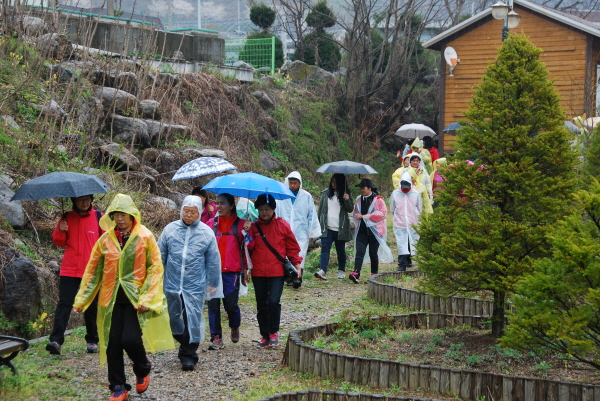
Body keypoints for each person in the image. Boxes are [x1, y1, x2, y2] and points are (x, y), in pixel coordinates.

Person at [72, 194, 174, 401]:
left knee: (130, 339)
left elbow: (155, 268)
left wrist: (147, 297)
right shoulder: (105, 240)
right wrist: (82, 299)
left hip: (135, 300)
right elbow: (93, 271)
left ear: (132, 215)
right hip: (110, 300)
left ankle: (142, 366)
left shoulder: (145, 237)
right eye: (116, 215)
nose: (119, 219)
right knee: (112, 344)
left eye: (123, 214)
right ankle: (118, 386)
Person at [158, 195, 223, 371]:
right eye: (186, 211)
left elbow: (213, 260)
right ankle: (184, 341)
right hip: (172, 283)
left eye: (193, 212)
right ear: (181, 210)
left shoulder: (206, 233)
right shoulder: (170, 230)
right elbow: (159, 255)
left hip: (195, 285)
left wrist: (212, 282)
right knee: (173, 317)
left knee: (192, 318)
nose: (189, 215)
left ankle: (188, 355)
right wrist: (155, 277)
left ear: (199, 213)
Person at [243, 194, 302, 348]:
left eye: (267, 209)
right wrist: (246, 233)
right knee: (261, 304)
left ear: (273, 209)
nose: (264, 212)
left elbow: (292, 248)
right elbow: (247, 249)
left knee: (273, 302)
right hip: (258, 272)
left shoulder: (282, 225)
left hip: (277, 272)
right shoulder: (253, 227)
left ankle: (273, 332)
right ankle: (264, 335)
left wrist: (297, 266)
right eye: (261, 209)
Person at [47, 195, 102, 355]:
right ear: (74, 201)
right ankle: (56, 341)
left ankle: (92, 341)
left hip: (91, 270)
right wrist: (60, 230)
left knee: (91, 306)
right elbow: (59, 242)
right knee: (64, 304)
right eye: (80, 200)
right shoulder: (66, 217)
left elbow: (107, 241)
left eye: (87, 199)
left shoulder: (99, 217)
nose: (84, 203)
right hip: (70, 269)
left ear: (91, 200)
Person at [206, 193, 247, 350]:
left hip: (231, 272)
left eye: (222, 203)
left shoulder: (241, 224)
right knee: (213, 305)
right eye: (217, 203)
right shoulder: (211, 224)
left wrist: (248, 233)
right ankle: (216, 337)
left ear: (231, 205)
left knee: (231, 305)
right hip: (213, 272)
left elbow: (248, 248)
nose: (219, 206)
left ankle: (234, 325)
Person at [349, 179, 393, 283]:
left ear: (369, 188)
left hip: (375, 231)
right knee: (360, 252)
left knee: (373, 253)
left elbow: (383, 214)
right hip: (362, 230)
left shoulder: (378, 200)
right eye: (360, 188)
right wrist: (357, 215)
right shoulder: (359, 199)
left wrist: (368, 216)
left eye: (363, 188)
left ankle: (374, 274)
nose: (361, 190)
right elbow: (355, 212)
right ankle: (356, 273)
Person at [277, 171, 321, 276]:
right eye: (290, 183)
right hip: (285, 230)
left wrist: (312, 228)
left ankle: (298, 277)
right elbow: (277, 211)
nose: (292, 185)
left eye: (294, 183)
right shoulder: (282, 195)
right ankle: (289, 277)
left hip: (301, 231)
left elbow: (311, 213)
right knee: (286, 254)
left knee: (300, 254)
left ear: (299, 183)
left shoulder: (306, 196)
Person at [315, 174, 354, 280]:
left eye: (336, 183)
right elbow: (320, 210)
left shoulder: (346, 193)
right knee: (325, 249)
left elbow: (350, 209)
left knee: (340, 250)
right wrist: (317, 224)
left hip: (340, 228)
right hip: (327, 227)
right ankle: (323, 270)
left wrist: (347, 200)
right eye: (332, 182)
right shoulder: (325, 193)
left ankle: (341, 270)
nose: (333, 185)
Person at [390, 173, 422, 272]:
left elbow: (419, 208)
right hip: (400, 222)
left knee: (411, 242)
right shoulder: (395, 194)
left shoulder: (415, 194)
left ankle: (408, 260)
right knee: (401, 243)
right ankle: (402, 264)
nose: (405, 189)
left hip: (412, 222)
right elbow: (392, 208)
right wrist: (397, 217)